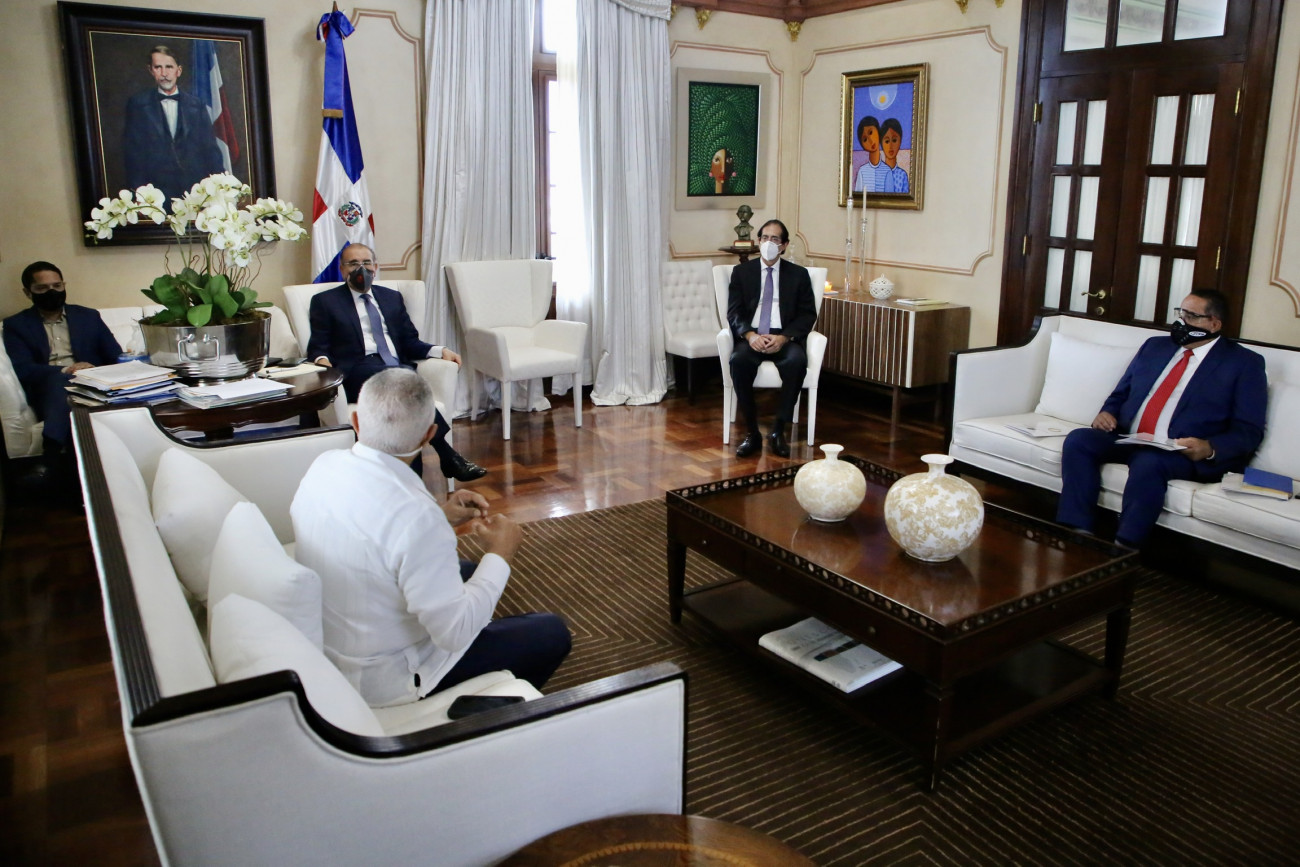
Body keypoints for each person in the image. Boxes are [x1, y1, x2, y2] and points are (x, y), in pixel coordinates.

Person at [290, 368, 571, 707]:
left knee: (467, 571)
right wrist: (501, 553)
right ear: (429, 435)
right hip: (386, 680)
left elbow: (375, 531)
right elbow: (453, 633)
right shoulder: (416, 516)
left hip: (332, 643)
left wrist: (442, 516)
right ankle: (486, 713)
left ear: (356, 422)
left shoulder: (323, 465)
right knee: (550, 632)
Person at [1056, 290, 1268, 547]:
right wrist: (1107, 412)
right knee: (1079, 440)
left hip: (1180, 451)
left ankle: (1124, 548)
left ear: (1214, 324)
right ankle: (1077, 532)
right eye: (1180, 313)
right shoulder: (1155, 346)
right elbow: (1121, 393)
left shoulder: (1244, 363)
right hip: (1131, 437)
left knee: (1149, 462)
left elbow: (1248, 429)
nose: (1181, 322)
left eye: (1191, 316)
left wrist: (1210, 447)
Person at [306, 242, 486, 482]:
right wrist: (323, 363)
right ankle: (446, 454)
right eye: (353, 263)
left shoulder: (391, 298)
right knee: (404, 385)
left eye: (366, 263)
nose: (361, 269)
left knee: (404, 403)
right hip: (358, 371)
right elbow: (317, 347)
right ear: (342, 269)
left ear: (376, 267)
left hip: (396, 368)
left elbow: (410, 342)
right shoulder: (326, 301)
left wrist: (439, 350)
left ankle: (415, 479)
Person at [3, 262, 121, 457]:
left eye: (57, 286)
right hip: (47, 388)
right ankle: (55, 449)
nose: (52, 292)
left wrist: (92, 370)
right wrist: (65, 370)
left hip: (91, 383)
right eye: (42, 288)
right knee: (60, 381)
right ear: (28, 292)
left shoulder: (88, 316)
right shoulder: (16, 325)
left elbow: (115, 355)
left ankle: (53, 454)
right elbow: (23, 368)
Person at [726, 219, 817, 459]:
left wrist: (784, 337)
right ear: (758, 241)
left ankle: (778, 431)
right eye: (765, 237)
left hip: (783, 335)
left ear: (784, 245)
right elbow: (734, 312)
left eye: (775, 239)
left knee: (796, 362)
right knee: (739, 361)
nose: (769, 242)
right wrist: (750, 335)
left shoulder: (798, 275)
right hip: (752, 334)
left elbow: (807, 314)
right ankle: (752, 432)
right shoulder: (741, 272)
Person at [122, 46, 224, 201]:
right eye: (158, 67)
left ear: (179, 70)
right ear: (151, 70)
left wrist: (218, 192)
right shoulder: (138, 105)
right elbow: (133, 155)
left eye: (169, 67)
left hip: (194, 193)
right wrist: (139, 196)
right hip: (155, 194)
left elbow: (210, 150)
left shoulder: (196, 105)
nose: (164, 73)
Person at [853, 116, 886, 194]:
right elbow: (858, 197)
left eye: (871, 133)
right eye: (865, 139)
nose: (870, 141)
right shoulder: (862, 171)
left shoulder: (887, 171)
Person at [880, 118, 910, 194]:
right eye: (887, 141)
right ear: (881, 144)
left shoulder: (902, 175)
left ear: (900, 142)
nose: (890, 146)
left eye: (894, 140)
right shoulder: (878, 174)